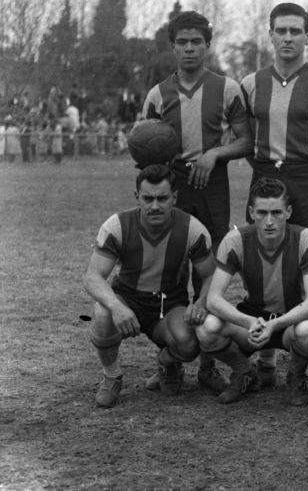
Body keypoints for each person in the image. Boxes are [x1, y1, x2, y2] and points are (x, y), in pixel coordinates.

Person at [241, 2, 308, 398]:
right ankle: (266, 361)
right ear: (269, 34)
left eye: (295, 31)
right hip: (266, 175)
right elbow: (250, 135)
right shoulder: (251, 83)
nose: (287, 38)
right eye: (280, 30)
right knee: (262, 268)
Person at [143, 10, 252, 393]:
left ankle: (208, 363)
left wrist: (214, 154)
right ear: (172, 47)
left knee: (212, 267)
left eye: (197, 42)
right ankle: (170, 363)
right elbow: (143, 145)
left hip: (212, 183)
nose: (190, 48)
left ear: (208, 44)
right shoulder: (158, 94)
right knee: (172, 271)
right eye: (182, 42)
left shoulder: (228, 88)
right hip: (173, 184)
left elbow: (245, 140)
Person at [83, 165, 216, 408]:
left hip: (169, 304)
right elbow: (93, 277)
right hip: (128, 299)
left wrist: (201, 302)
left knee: (189, 344)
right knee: (103, 312)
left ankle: (166, 362)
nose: (155, 205)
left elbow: (211, 276)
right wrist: (116, 306)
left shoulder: (192, 229)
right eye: (148, 198)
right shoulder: (118, 224)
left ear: (174, 197)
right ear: (137, 198)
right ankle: (111, 376)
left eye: (162, 198)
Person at [196, 177, 308, 405]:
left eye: (276, 212)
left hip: (288, 323)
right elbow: (214, 299)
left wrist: (274, 325)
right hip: (252, 321)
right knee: (208, 328)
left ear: (288, 212)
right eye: (262, 212)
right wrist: (248, 322)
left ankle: (296, 375)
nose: (269, 221)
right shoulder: (235, 240)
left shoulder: (307, 239)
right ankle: (244, 372)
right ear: (251, 212)